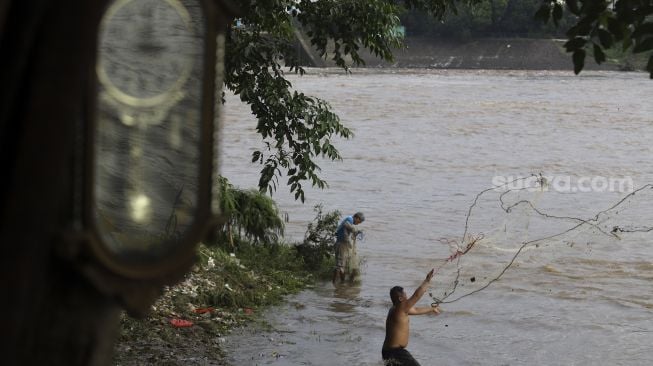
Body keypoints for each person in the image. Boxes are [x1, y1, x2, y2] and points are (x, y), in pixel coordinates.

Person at [382, 268, 440, 366]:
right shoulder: (401, 309)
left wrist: (431, 309)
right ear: (400, 298)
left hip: (387, 352)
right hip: (396, 353)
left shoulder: (396, 309)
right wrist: (427, 280)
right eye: (405, 294)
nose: (407, 295)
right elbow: (417, 295)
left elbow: (416, 310)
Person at [332, 211, 365, 285]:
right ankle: (339, 284)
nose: (358, 223)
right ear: (357, 218)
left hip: (341, 244)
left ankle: (337, 283)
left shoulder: (349, 220)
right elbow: (346, 224)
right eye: (359, 221)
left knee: (340, 265)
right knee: (340, 266)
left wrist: (355, 231)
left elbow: (345, 230)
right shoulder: (349, 219)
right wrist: (355, 230)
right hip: (341, 245)